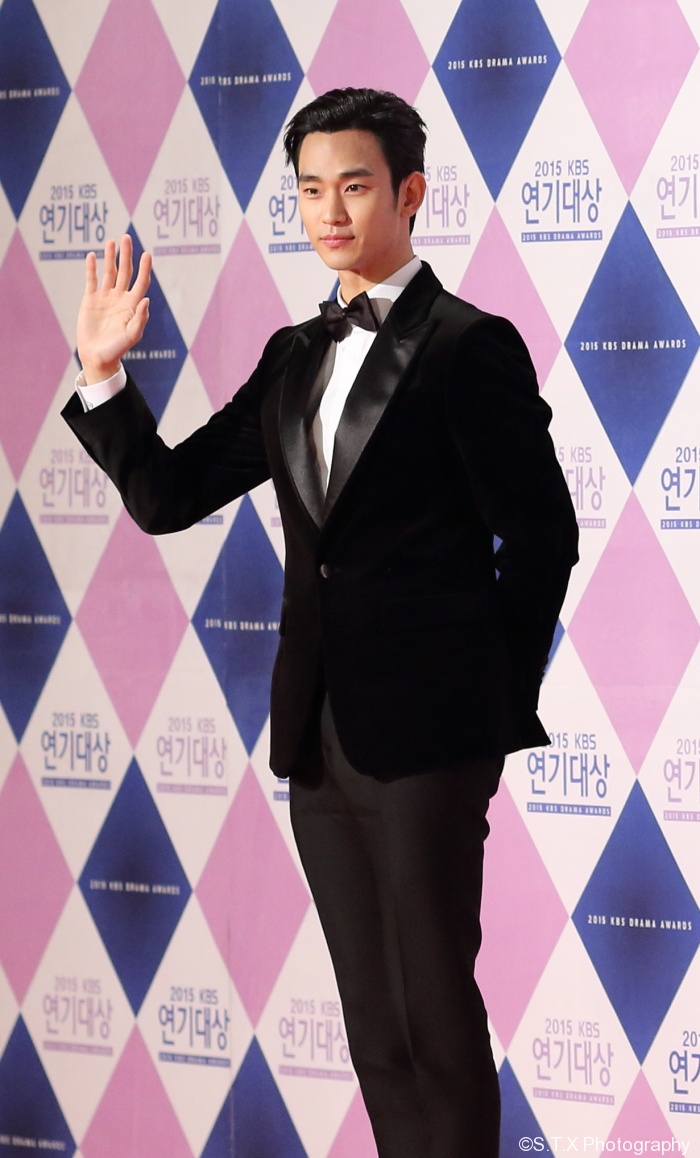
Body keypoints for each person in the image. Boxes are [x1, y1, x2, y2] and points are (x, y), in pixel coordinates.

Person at [63, 87, 578, 1158]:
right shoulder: (293, 353)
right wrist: (103, 375)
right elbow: (168, 495)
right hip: (318, 733)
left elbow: (543, 540)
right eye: (309, 190)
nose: (330, 212)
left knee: (435, 1014)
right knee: (374, 1029)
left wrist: (484, 709)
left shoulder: (468, 346)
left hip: (433, 739)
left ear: (409, 192)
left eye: (354, 186)